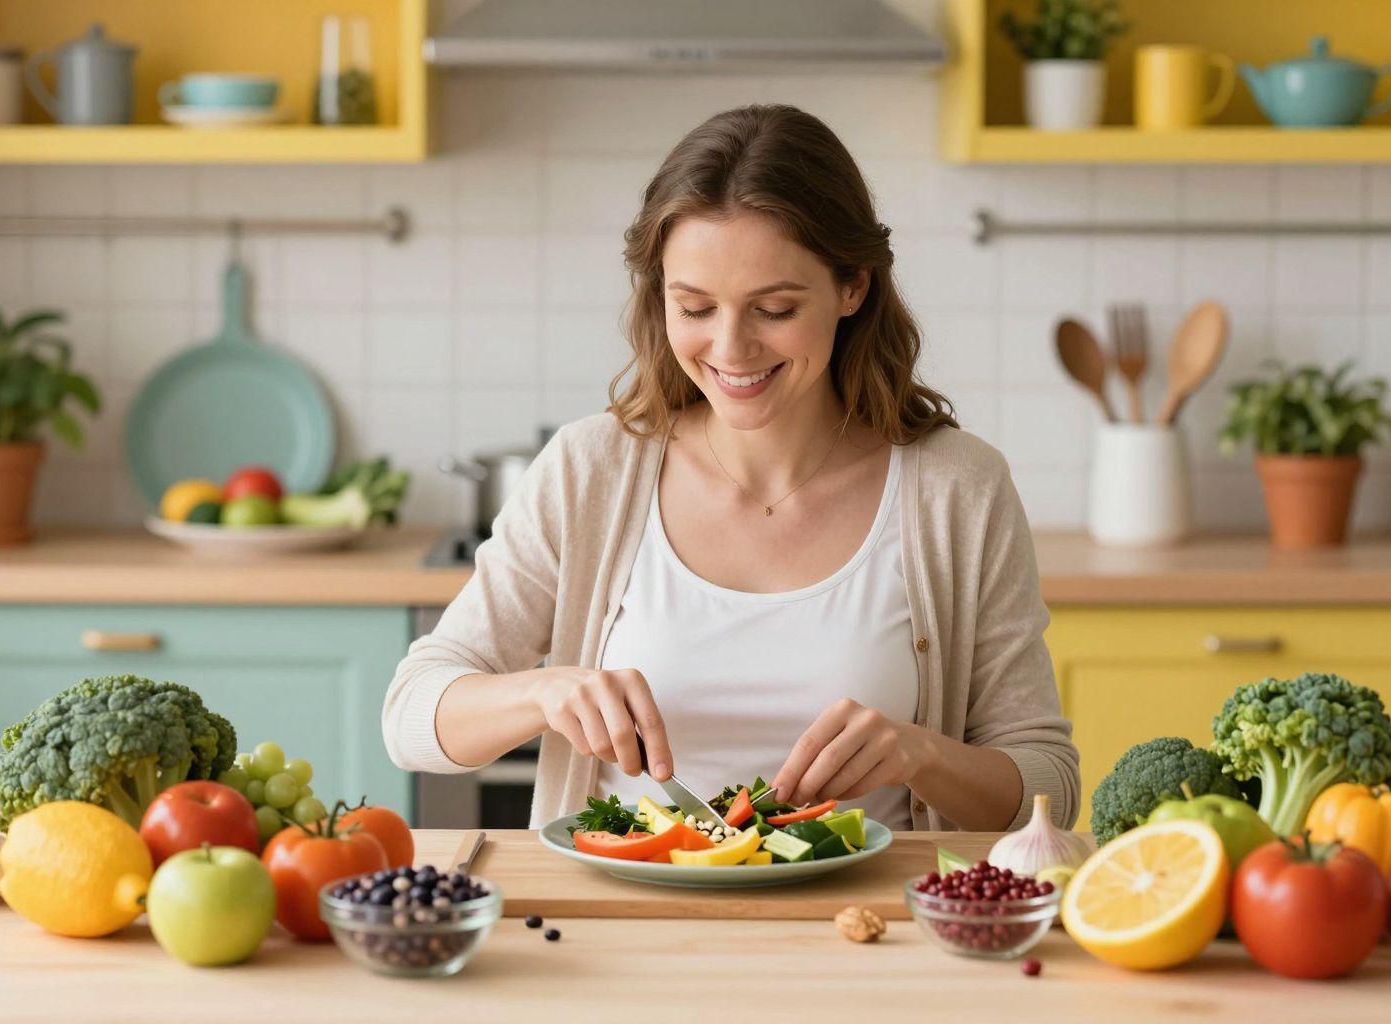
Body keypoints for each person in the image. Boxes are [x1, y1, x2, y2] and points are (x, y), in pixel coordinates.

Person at [385, 104, 1078, 832]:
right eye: (695, 306)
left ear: (854, 287)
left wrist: (922, 756)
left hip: (870, 937)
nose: (731, 347)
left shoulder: (958, 489)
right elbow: (410, 716)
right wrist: (544, 694)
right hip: (623, 931)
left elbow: (1051, 789)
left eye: (774, 308)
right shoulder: (590, 470)